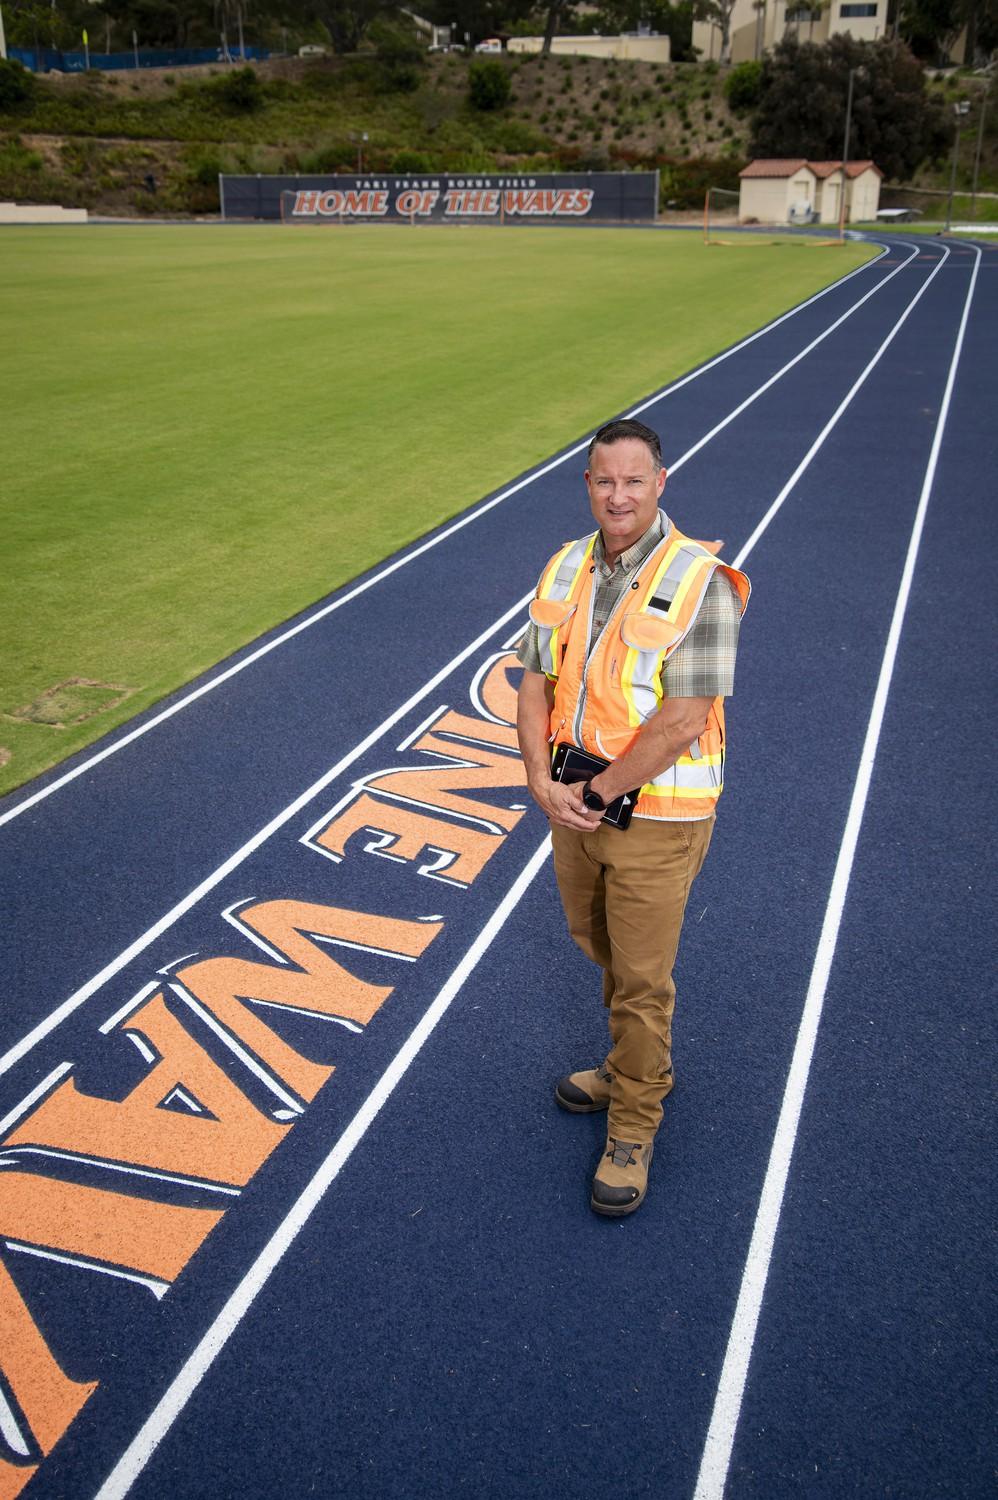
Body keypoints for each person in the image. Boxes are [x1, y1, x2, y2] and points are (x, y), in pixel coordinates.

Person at [515, 418, 750, 1217]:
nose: (618, 494)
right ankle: (629, 1065)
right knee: (599, 944)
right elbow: (533, 681)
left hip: (655, 811)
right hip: (576, 801)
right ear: (588, 486)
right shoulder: (565, 566)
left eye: (634, 480)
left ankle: (634, 1120)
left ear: (661, 482)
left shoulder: (701, 582)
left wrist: (593, 790)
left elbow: (684, 718)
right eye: (603, 480)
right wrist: (539, 781)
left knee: (643, 980)